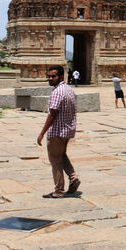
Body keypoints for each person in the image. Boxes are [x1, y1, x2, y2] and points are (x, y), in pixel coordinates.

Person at [36, 65, 80, 198]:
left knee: (55, 160)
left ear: (61, 76)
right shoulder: (68, 89)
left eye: (53, 76)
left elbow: (52, 114)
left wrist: (42, 133)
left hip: (57, 131)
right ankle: (73, 178)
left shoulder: (57, 92)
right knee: (61, 155)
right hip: (67, 129)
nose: (50, 78)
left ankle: (59, 190)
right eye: (48, 76)